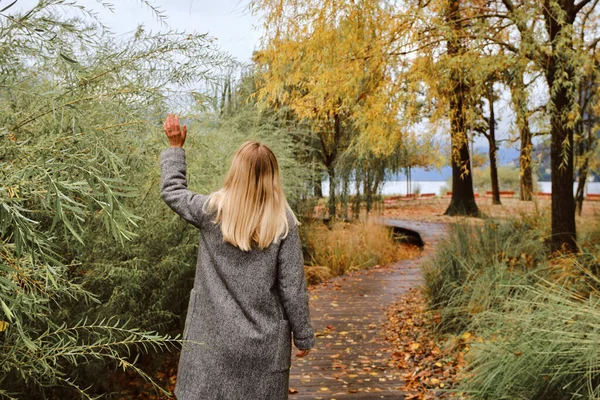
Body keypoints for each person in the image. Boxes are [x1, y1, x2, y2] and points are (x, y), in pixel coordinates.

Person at [160, 114, 315, 399]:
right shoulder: (283, 224)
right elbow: (292, 288)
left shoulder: (210, 211)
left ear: (235, 172)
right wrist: (303, 334)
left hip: (211, 342)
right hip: (263, 345)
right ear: (272, 177)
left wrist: (175, 148)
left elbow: (172, 190)